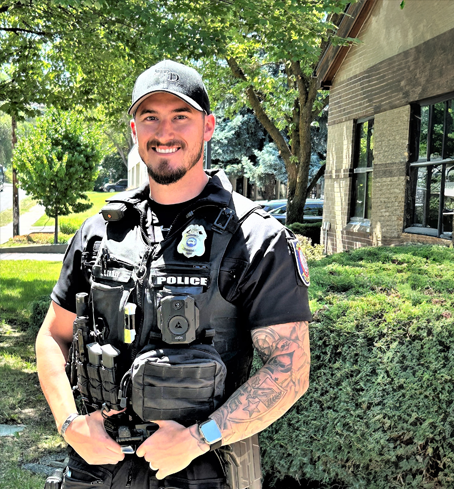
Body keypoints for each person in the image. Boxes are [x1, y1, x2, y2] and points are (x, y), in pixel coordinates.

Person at [36, 60, 312, 488]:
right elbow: (54, 334)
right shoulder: (101, 232)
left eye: (180, 116)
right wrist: (70, 423)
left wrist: (202, 437)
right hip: (96, 470)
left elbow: (290, 369)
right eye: (151, 117)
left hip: (203, 471)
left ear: (208, 127)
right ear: (134, 130)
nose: (164, 132)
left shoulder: (256, 238)